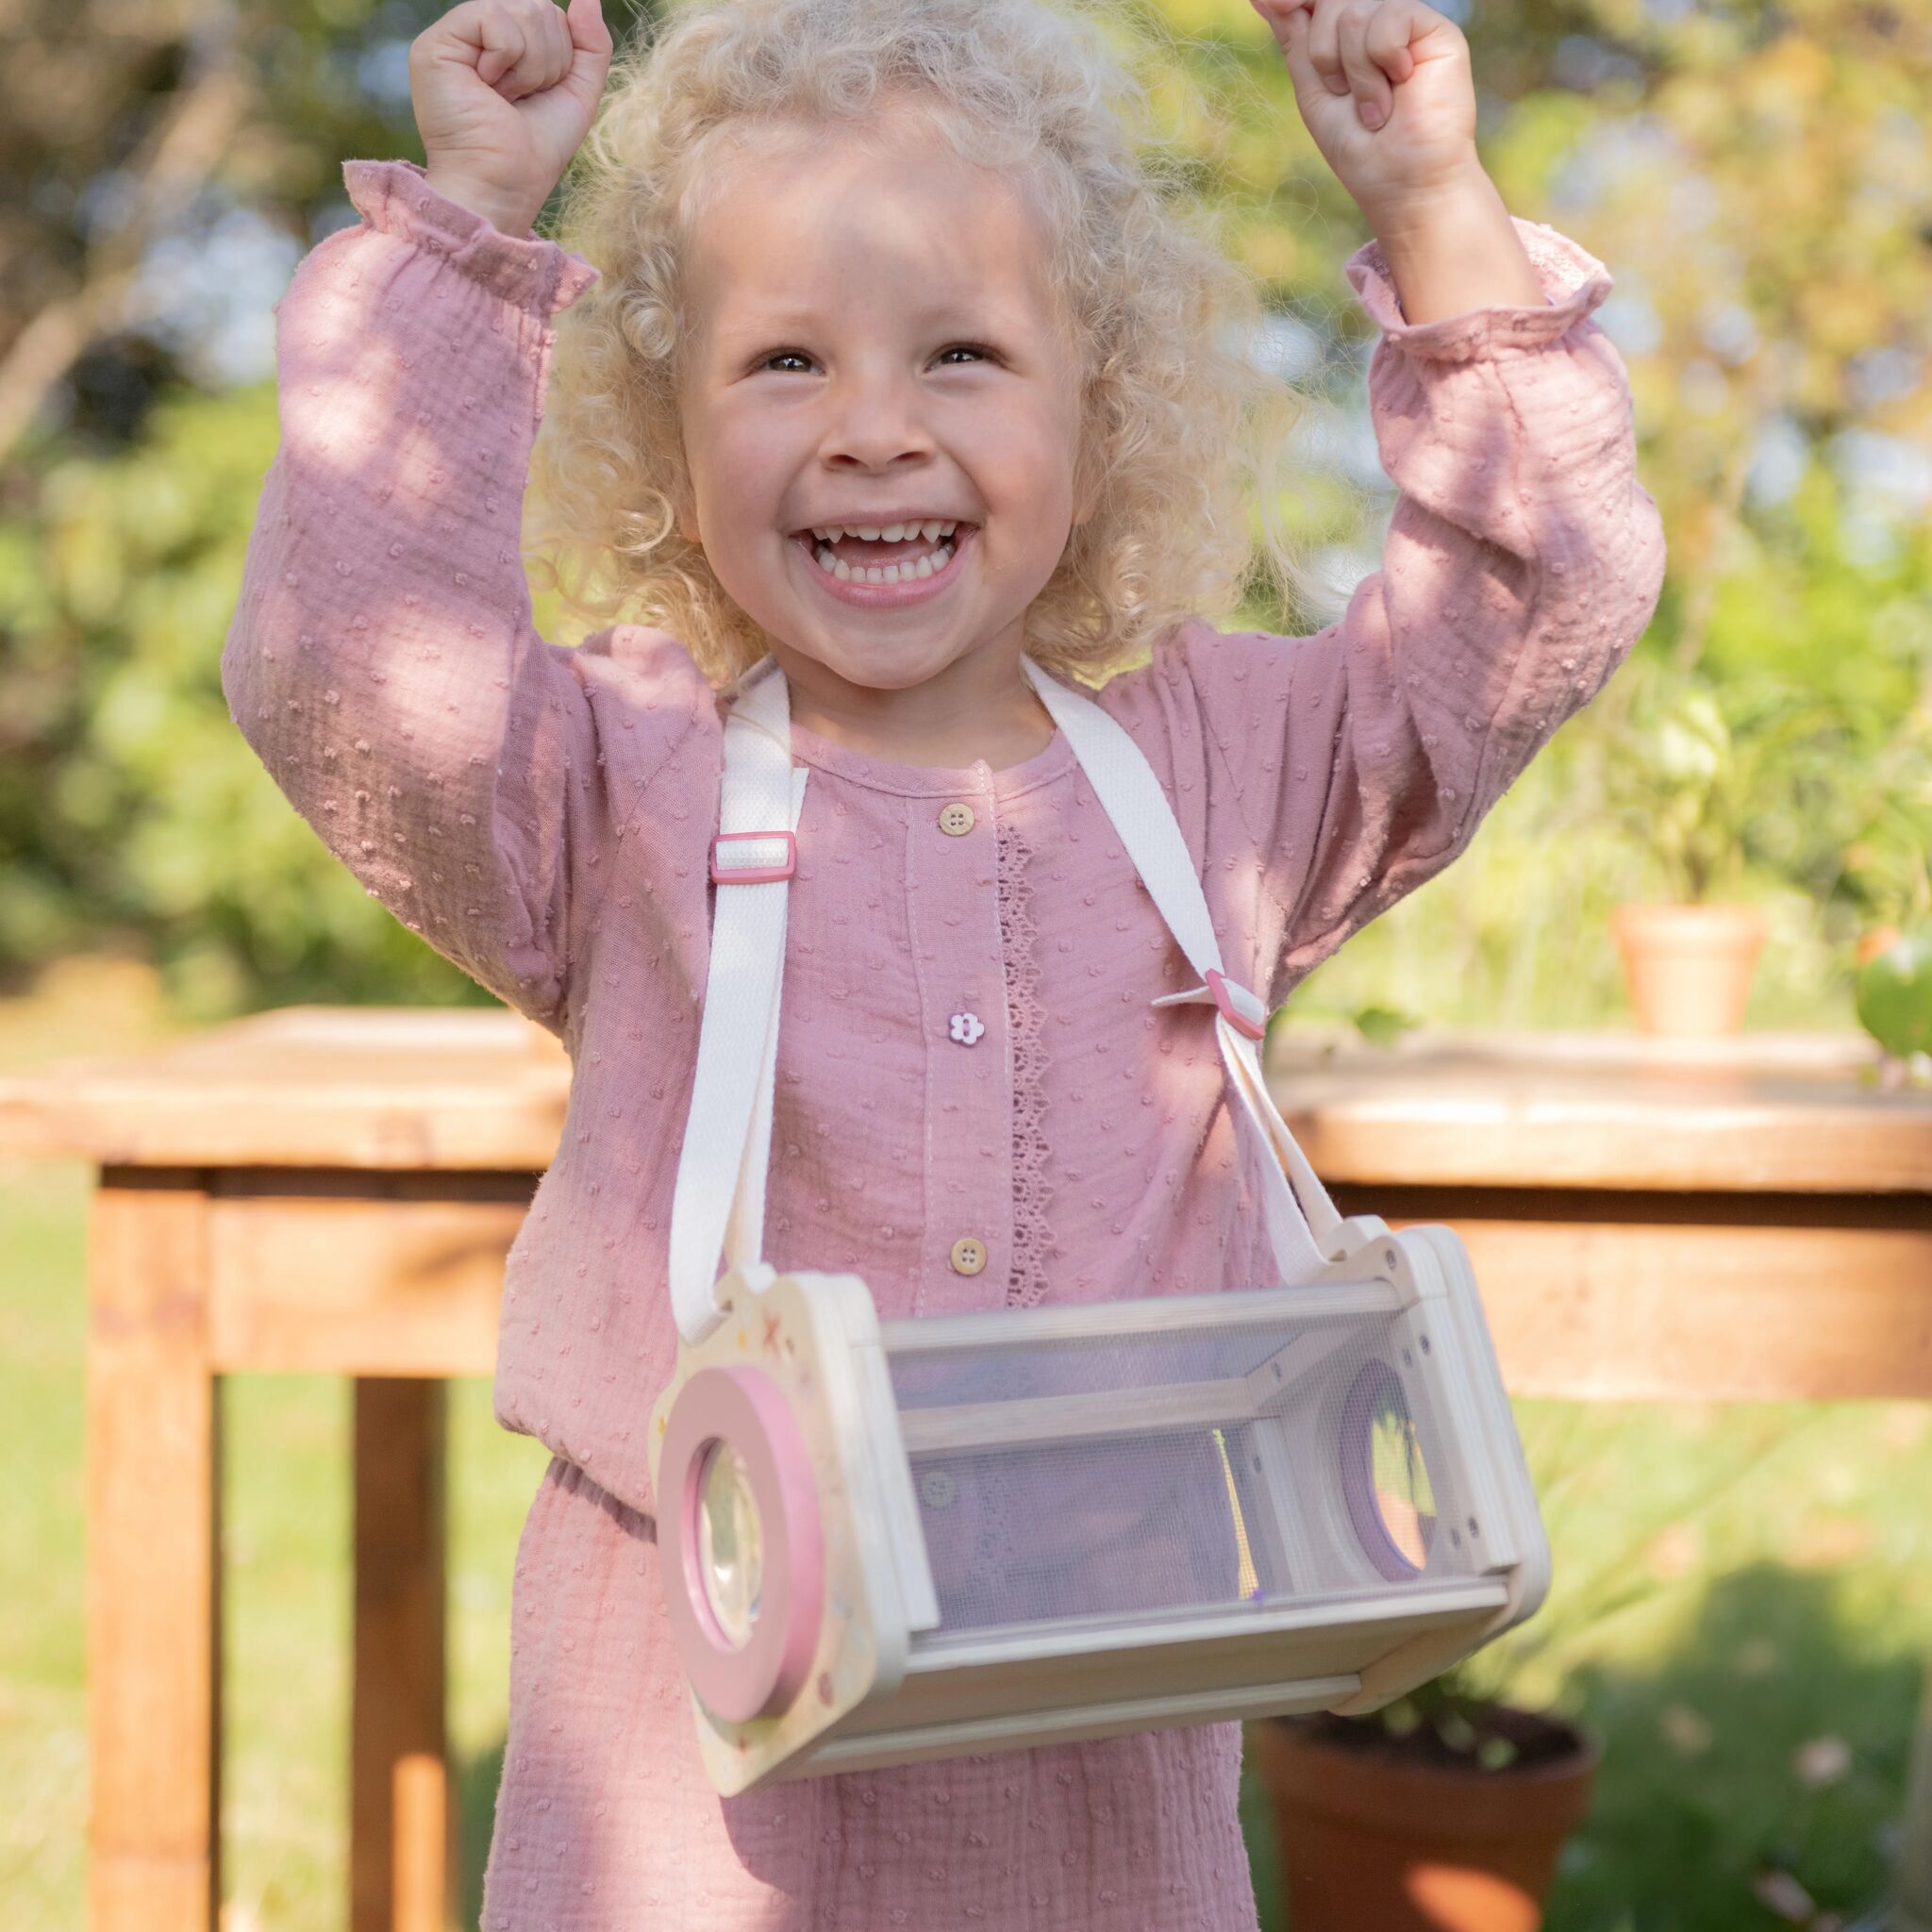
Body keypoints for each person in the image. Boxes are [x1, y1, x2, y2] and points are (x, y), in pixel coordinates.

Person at [219, 0, 1666, 1921]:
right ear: (667, 429)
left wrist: (1429, 198)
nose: (872, 425)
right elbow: (350, 656)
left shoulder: (1223, 775)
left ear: (1100, 401)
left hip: (1100, 1775)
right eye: (783, 358)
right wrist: (472, 221)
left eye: (962, 353)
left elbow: (1541, 581)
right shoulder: (616, 790)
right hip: (696, 1774)